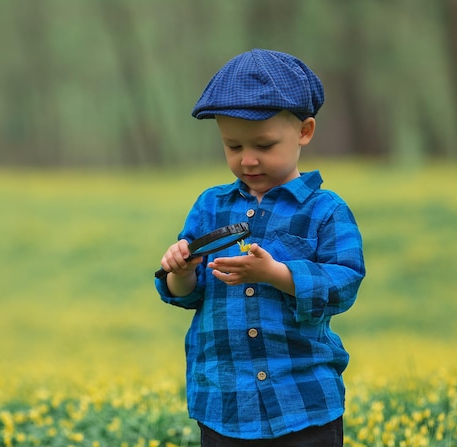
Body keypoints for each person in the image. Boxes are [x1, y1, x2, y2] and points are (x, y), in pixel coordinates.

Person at [155, 49, 365, 447]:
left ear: (304, 131)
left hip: (303, 402)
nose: (248, 160)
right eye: (233, 147)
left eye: (264, 145)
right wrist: (180, 273)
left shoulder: (325, 210)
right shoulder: (210, 206)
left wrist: (277, 275)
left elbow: (344, 284)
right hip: (223, 402)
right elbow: (187, 294)